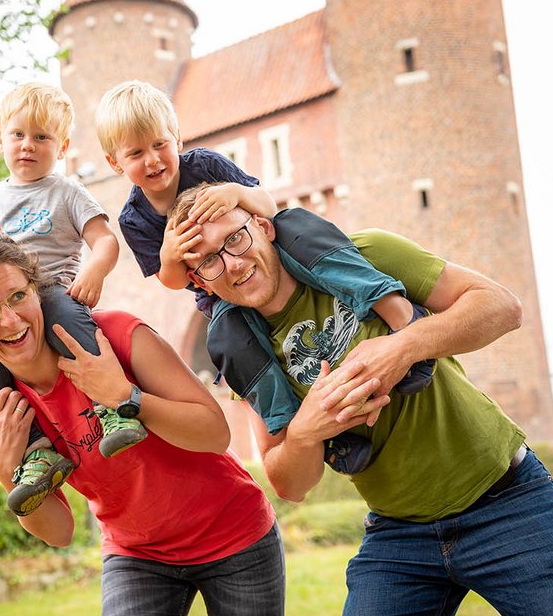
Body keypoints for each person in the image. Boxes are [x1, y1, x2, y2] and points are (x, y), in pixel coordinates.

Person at [170, 184, 553, 616]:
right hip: (399, 536)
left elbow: (502, 307)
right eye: (209, 260)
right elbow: (291, 484)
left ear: (264, 227)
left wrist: (403, 347)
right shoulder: (243, 350)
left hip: (508, 502)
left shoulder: (363, 253)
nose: (232, 263)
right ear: (198, 281)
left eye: (235, 239)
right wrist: (309, 428)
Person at [0, 233, 286, 616]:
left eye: (18, 296)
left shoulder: (116, 335)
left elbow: (214, 433)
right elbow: (60, 531)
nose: (11, 320)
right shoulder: (3, 409)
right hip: (137, 555)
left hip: (234, 535)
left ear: (37, 290)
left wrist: (124, 396)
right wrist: (6, 474)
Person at [95, 80, 433, 475]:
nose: (153, 160)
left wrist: (235, 195)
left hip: (272, 249)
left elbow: (268, 205)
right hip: (216, 292)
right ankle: (315, 434)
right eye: (136, 153)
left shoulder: (205, 165)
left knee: (303, 230)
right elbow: (172, 282)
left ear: (177, 138)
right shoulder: (133, 219)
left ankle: (402, 317)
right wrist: (170, 257)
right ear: (115, 163)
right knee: (231, 343)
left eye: (159, 144)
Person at [0, 82, 136, 517]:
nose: (28, 146)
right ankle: (38, 452)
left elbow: (104, 240)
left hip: (52, 290)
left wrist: (94, 271)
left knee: (68, 324)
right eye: (18, 135)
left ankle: (113, 408)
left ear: (63, 146)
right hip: (2, 305)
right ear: (0, 140)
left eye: (42, 137)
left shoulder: (67, 192)